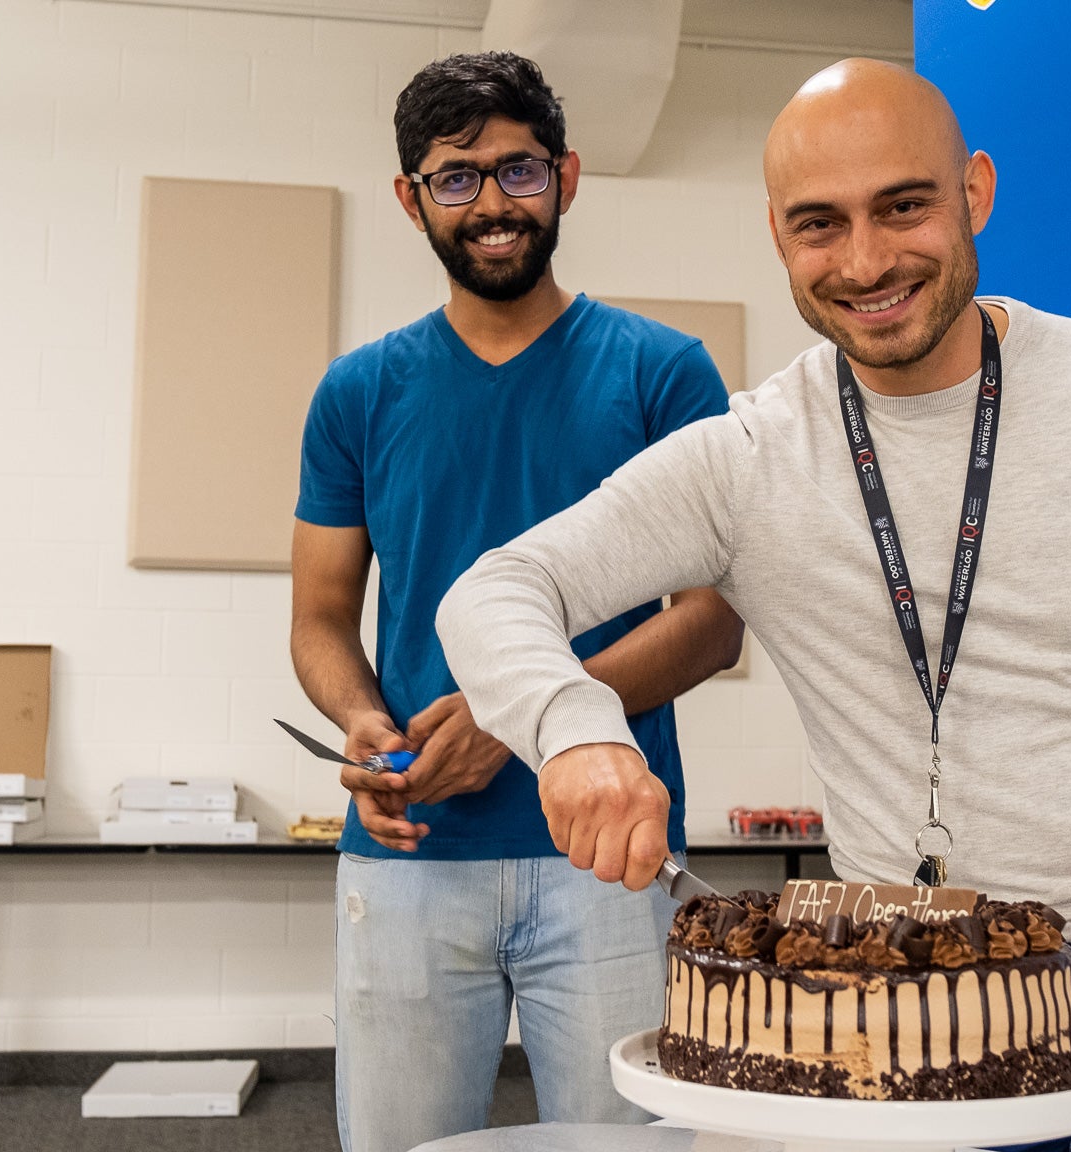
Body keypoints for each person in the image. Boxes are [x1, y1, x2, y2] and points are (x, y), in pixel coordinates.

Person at [435, 58, 1071, 1151]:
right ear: (777, 236)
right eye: (819, 224)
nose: (865, 262)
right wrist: (577, 736)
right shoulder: (748, 456)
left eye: (902, 207)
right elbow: (495, 593)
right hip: (898, 1014)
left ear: (974, 192)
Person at [289, 52, 744, 1152]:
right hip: (406, 854)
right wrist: (359, 719)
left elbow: (713, 622)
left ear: (567, 178)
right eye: (455, 178)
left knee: (627, 1144)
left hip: (608, 856)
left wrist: (512, 719)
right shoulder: (357, 392)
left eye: (518, 171)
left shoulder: (662, 373)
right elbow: (318, 621)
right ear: (411, 200)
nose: (491, 204)